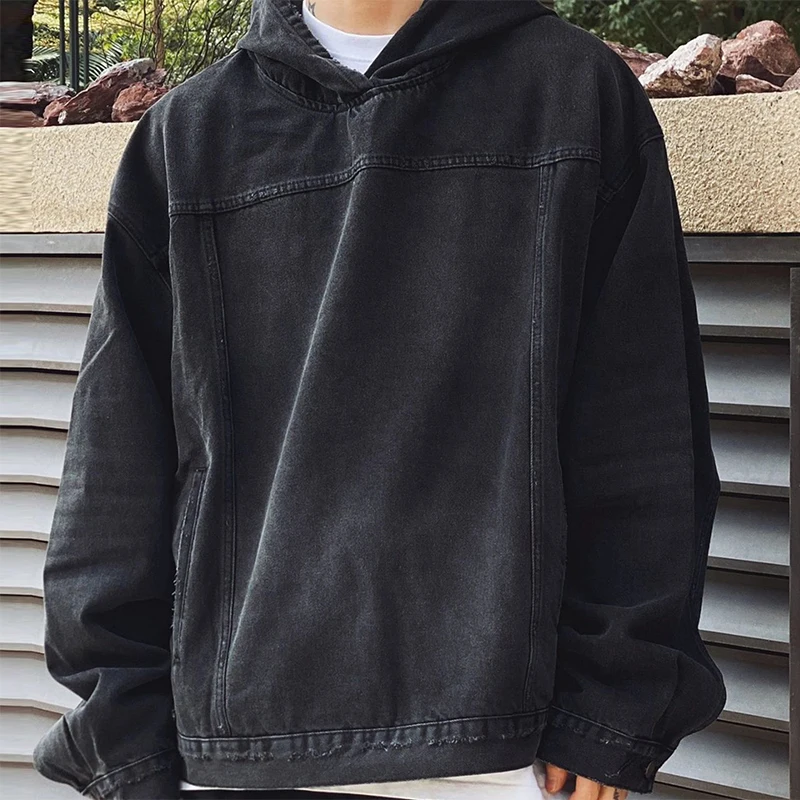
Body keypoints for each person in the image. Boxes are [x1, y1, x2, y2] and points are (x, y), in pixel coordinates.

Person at [31, 1, 727, 799]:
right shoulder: (190, 134)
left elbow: (642, 429)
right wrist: (124, 737)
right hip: (236, 747)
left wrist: (608, 706)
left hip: (511, 751)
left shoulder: (571, 92)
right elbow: (115, 464)